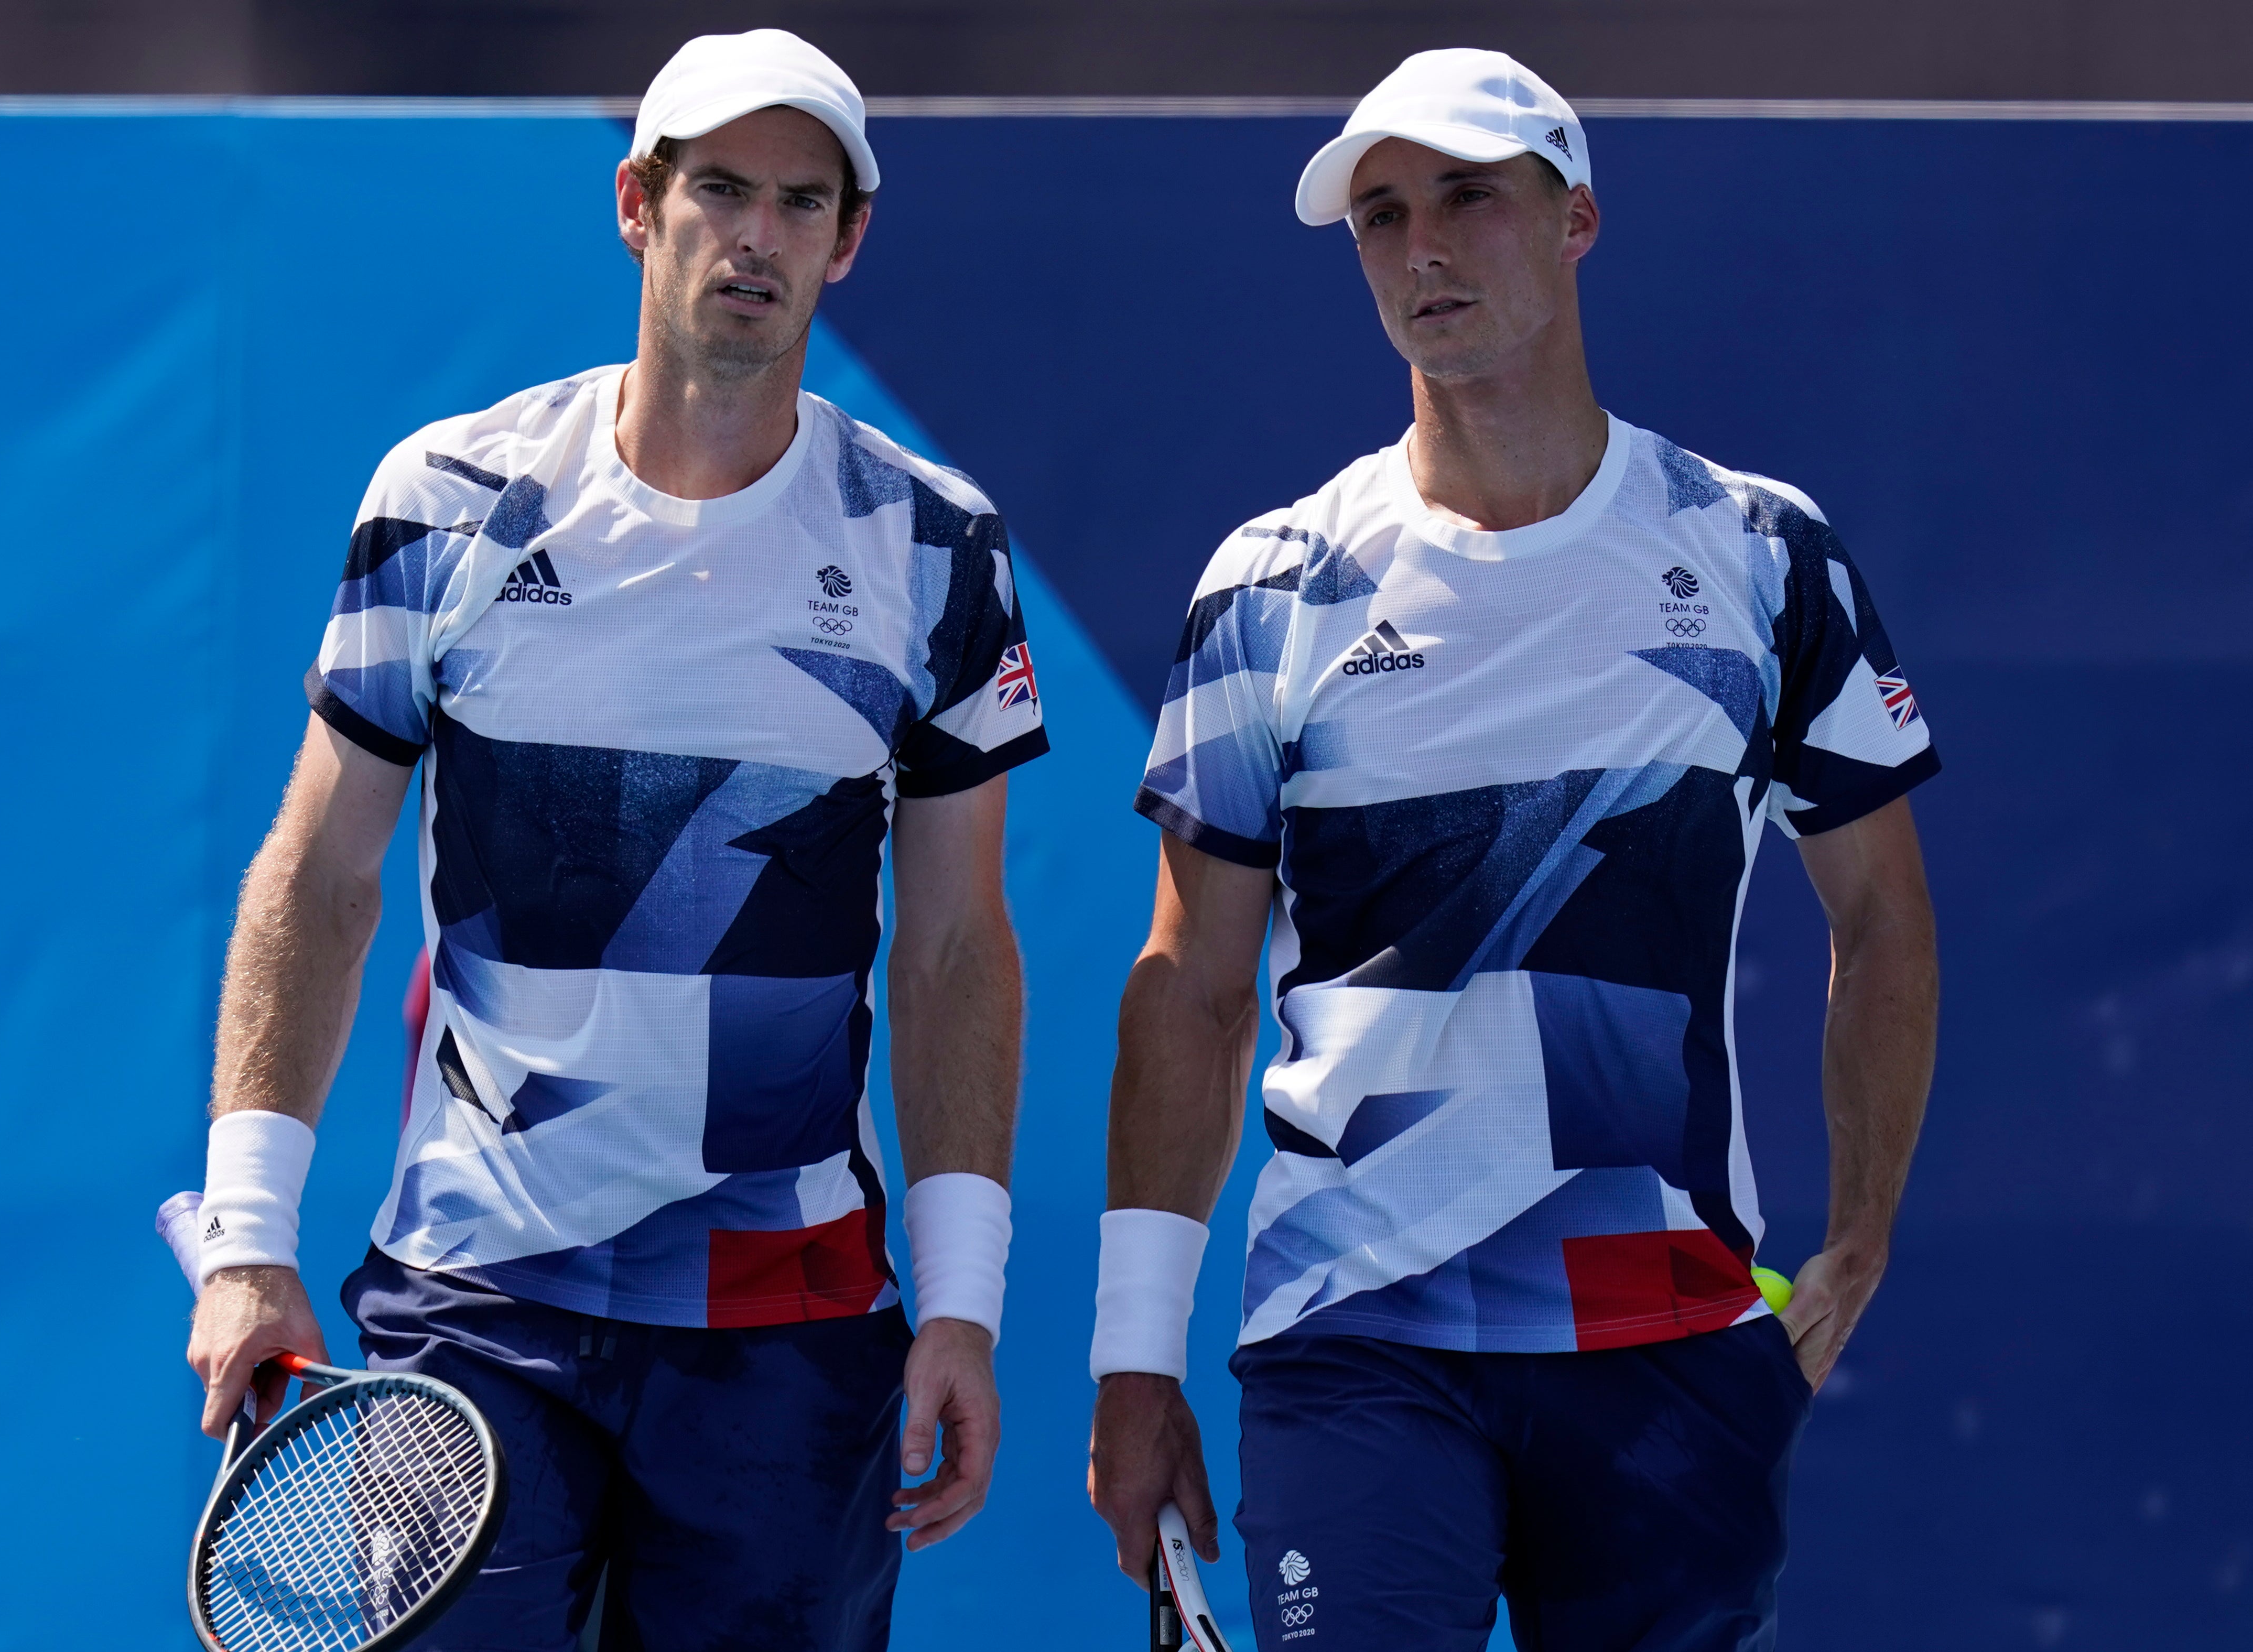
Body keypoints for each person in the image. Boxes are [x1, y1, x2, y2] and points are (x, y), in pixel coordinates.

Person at [183, 29, 1048, 1651]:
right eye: (720, 189)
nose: (759, 236)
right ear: (638, 206)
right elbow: (320, 873)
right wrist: (245, 1235)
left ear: (847, 242)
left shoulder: (939, 548)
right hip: (479, 1307)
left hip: (792, 1330)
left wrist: (967, 1304)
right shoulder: (446, 500)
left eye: (803, 204)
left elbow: (953, 948)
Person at [1085, 48, 1939, 1650]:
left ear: (1577, 221)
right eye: (1383, 215)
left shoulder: (1758, 555)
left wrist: (1863, 1238)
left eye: (1469, 198)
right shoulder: (1274, 583)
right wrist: (1135, 1360)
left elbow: (1881, 915)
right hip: (1354, 1338)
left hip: (1671, 1343)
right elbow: (1189, 985)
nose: (1421, 248)